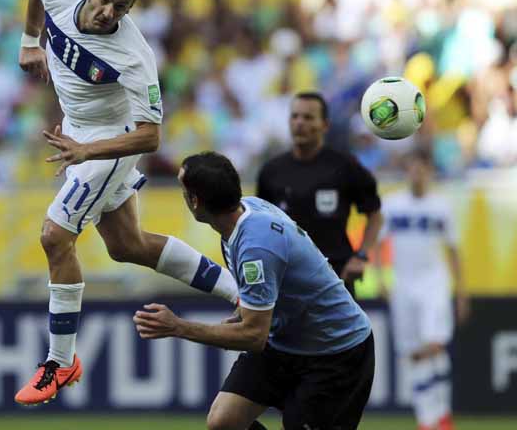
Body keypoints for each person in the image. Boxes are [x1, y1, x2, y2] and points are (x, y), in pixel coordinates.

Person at [14, 0, 239, 406]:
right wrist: (29, 41)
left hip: (111, 145)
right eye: (103, 0)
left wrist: (86, 152)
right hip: (78, 137)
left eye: (121, 8)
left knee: (55, 237)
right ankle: (241, 292)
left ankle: (60, 362)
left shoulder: (135, 57)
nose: (108, 14)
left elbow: (150, 136)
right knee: (127, 246)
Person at [133, 151, 375, 430]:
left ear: (195, 201)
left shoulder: (255, 247)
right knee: (224, 422)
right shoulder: (248, 211)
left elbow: (253, 335)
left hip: (334, 352)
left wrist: (177, 327)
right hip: (284, 342)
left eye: (183, 189)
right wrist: (247, 311)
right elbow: (272, 289)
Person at [374, 149, 469, 430]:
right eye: (412, 168)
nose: (417, 173)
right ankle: (434, 416)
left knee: (434, 343)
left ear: (429, 171)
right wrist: (380, 278)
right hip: (403, 285)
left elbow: (453, 250)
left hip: (434, 283)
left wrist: (461, 292)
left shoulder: (441, 206)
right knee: (414, 353)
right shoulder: (392, 205)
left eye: (422, 168)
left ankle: (432, 418)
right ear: (407, 171)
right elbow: (379, 243)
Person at [257, 92, 383, 296]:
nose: (299, 123)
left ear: (325, 125)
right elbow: (259, 227)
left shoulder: (345, 166)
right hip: (287, 280)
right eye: (295, 116)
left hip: (335, 278)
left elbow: (375, 215)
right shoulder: (271, 171)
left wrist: (360, 256)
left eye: (308, 117)